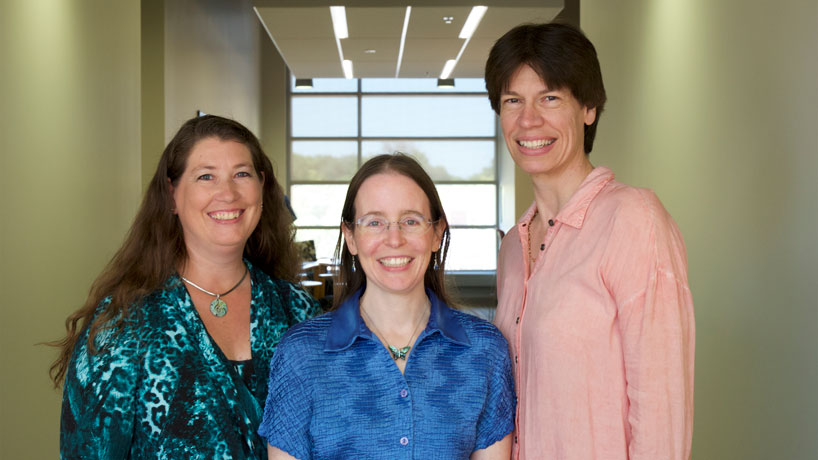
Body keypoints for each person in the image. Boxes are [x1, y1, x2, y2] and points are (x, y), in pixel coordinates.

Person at [51, 115, 319, 459]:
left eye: (242, 174)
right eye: (206, 176)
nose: (228, 193)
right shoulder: (123, 325)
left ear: (262, 188)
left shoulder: (298, 309)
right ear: (172, 195)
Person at [485, 23, 695, 459]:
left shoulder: (633, 219)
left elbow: (661, 413)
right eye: (512, 101)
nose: (528, 120)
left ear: (589, 108)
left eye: (550, 98)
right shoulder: (512, 247)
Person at [258, 154, 515, 460]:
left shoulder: (485, 349)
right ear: (351, 237)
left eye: (411, 221)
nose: (394, 239)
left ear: (436, 233)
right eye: (374, 222)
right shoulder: (301, 353)